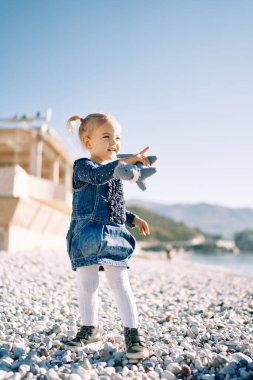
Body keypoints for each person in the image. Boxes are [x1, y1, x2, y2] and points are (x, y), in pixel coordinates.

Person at [63, 113, 151, 359]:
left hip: (113, 235)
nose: (115, 142)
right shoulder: (83, 166)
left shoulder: (115, 174)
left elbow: (114, 207)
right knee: (87, 284)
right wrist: (123, 165)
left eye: (118, 137)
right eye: (107, 136)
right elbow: (97, 176)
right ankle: (90, 329)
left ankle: (133, 336)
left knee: (120, 283)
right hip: (86, 235)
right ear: (88, 142)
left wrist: (133, 219)